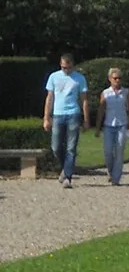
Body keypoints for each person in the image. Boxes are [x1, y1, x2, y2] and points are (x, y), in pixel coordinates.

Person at [42, 53, 90, 189]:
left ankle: (68, 177)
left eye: (68, 68)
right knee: (56, 147)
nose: (66, 70)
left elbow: (84, 100)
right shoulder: (54, 77)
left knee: (71, 147)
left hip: (73, 114)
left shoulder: (79, 78)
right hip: (58, 114)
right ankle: (65, 168)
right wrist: (46, 117)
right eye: (63, 68)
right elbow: (49, 98)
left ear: (72, 66)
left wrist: (86, 119)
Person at [98, 66, 129, 186]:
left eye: (119, 78)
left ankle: (116, 177)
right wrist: (98, 127)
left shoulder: (126, 92)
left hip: (121, 125)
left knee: (119, 150)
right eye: (115, 78)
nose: (117, 81)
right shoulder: (105, 93)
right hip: (108, 125)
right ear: (110, 79)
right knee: (108, 151)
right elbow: (101, 111)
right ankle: (110, 170)